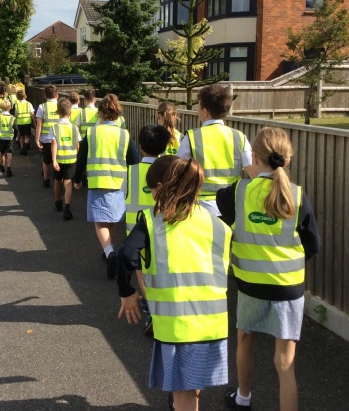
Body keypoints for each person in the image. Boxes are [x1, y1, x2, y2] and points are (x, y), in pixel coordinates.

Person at [216, 127, 321, 411]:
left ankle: (243, 398)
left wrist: (251, 176)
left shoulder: (239, 192)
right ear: (287, 159)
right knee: (285, 363)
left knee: (244, 338)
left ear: (254, 157)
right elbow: (313, 245)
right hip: (288, 287)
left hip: (250, 284)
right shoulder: (297, 195)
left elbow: (221, 202)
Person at [117, 156, 232, 411]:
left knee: (182, 398)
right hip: (212, 323)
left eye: (152, 191)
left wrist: (127, 293)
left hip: (178, 325)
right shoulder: (215, 221)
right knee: (193, 388)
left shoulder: (154, 221)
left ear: (161, 187)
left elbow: (126, 255)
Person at [74, 93, 139, 279]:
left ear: (100, 113)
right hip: (119, 183)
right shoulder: (124, 134)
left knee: (100, 221)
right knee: (112, 219)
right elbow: (134, 160)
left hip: (97, 181)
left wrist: (77, 179)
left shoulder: (92, 133)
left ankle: (110, 252)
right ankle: (109, 249)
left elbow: (81, 159)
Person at [177, 84, 253, 216]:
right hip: (233, 205)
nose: (197, 110)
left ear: (205, 112)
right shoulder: (240, 137)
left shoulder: (191, 137)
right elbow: (254, 172)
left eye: (199, 106)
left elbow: (177, 173)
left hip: (202, 207)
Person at [125, 124, 171, 335]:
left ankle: (152, 310)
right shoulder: (169, 172)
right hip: (164, 229)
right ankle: (161, 308)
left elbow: (123, 195)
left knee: (141, 272)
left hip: (136, 232)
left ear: (141, 146)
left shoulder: (131, 171)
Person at [47, 98, 81, 221]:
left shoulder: (54, 127)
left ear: (57, 112)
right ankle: (67, 207)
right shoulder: (74, 128)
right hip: (71, 159)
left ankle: (58, 201)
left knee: (57, 180)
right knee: (68, 182)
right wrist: (76, 154)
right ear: (70, 113)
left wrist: (54, 160)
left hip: (59, 159)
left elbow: (54, 144)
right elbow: (77, 144)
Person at [35, 85, 59, 188]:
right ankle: (58, 180)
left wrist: (37, 139)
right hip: (58, 138)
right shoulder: (60, 105)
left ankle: (46, 179)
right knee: (57, 159)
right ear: (57, 95)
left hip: (46, 138)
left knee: (46, 160)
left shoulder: (42, 107)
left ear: (45, 95)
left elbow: (39, 124)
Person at [0, 99, 16, 177]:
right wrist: (15, 136)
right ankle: (9, 169)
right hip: (10, 137)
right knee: (9, 153)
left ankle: (2, 165)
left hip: (1, 137)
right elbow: (15, 128)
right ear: (10, 107)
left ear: (1, 107)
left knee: (2, 153)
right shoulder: (12, 118)